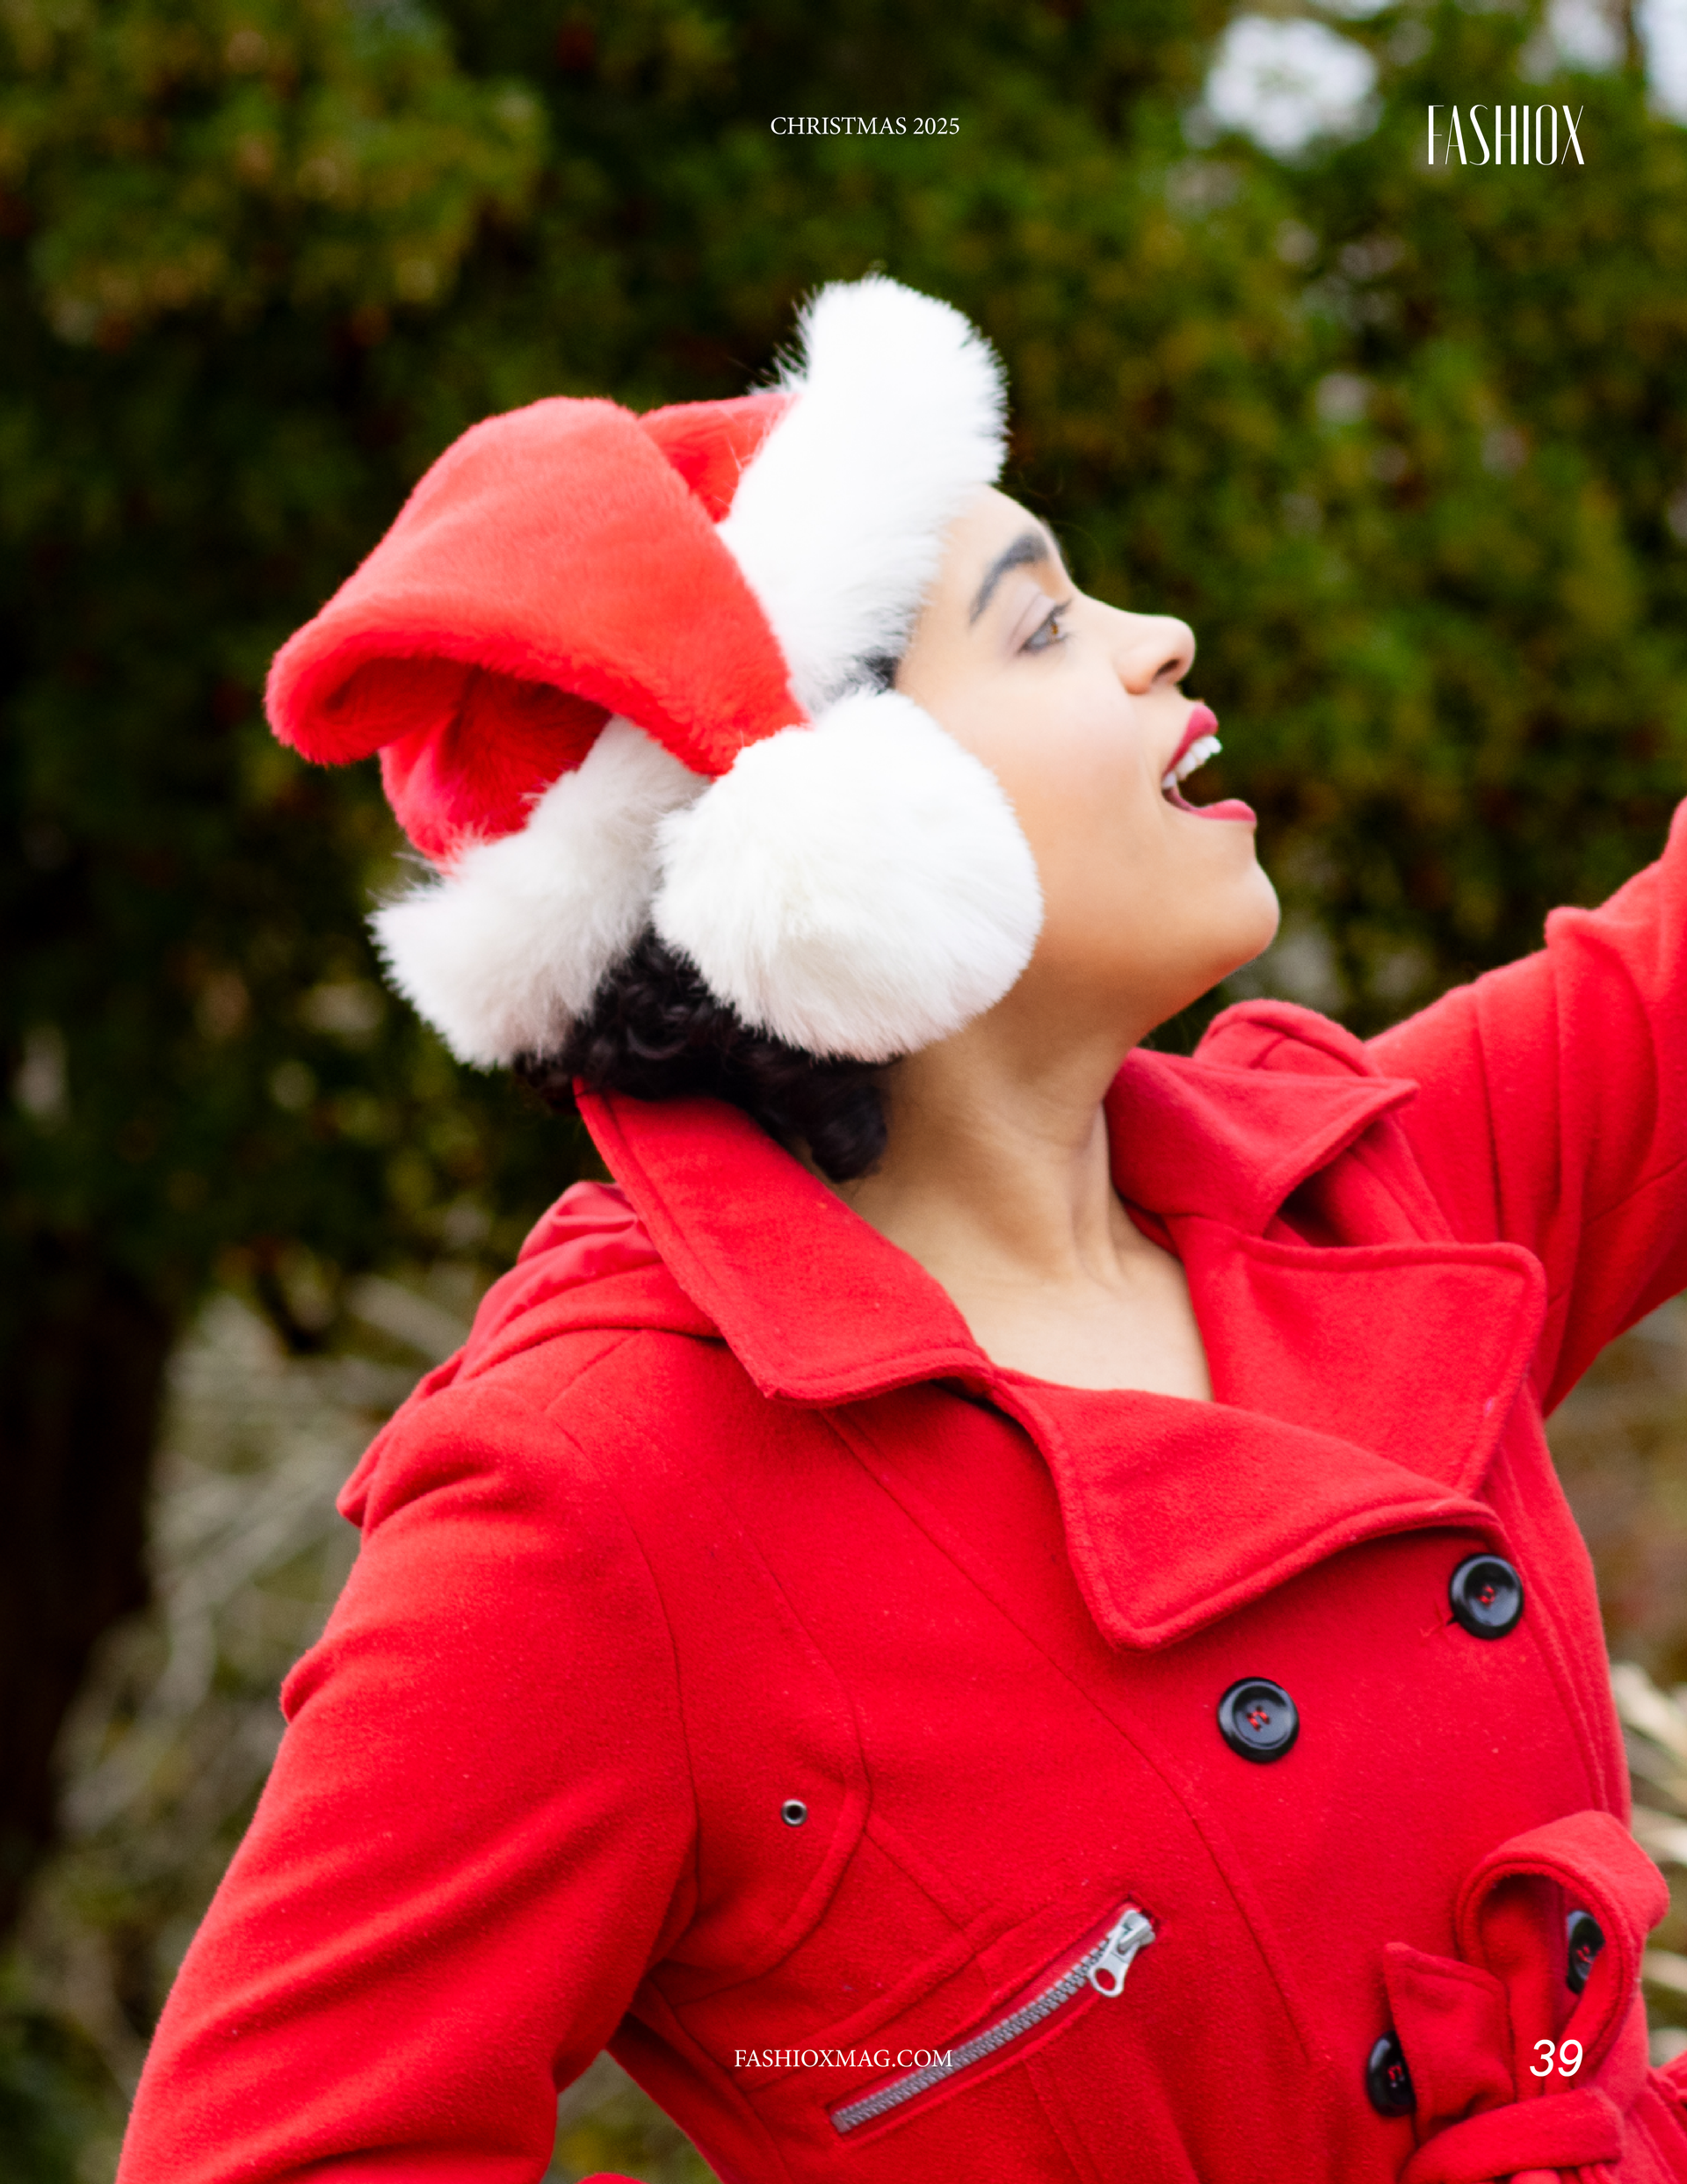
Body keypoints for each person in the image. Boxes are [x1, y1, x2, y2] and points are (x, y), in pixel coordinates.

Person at [117, 276, 1687, 2184]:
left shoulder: (1357, 1184)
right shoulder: (597, 1485)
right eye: (1039, 627)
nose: (1158, 638)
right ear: (847, 837)